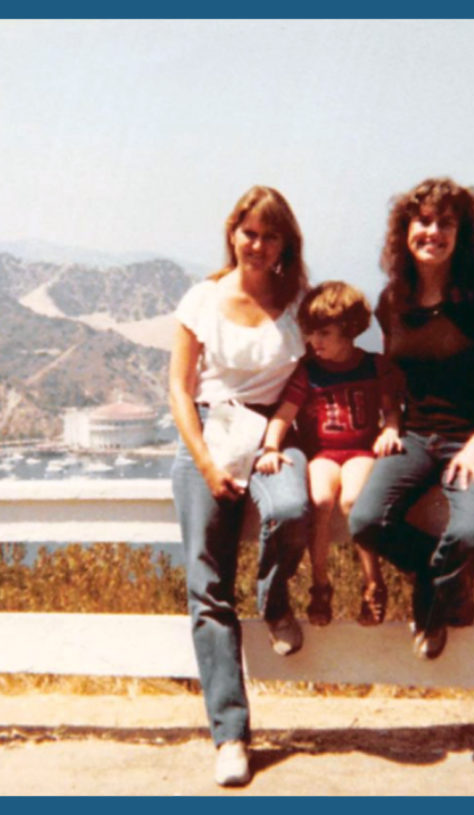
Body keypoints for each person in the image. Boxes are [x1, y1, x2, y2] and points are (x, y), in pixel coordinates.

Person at [348, 177, 474, 661]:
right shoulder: (393, 301)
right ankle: (443, 579)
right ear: (404, 230)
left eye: (445, 223)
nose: (432, 232)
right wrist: (390, 422)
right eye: (423, 221)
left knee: (473, 534)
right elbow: (393, 375)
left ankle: (431, 602)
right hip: (414, 439)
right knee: (366, 521)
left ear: (463, 233)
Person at [168, 185, 312, 787]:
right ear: (233, 233)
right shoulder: (202, 298)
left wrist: (276, 439)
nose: (257, 243)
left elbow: (311, 374)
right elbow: (178, 387)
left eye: (269, 234)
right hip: (208, 435)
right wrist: (205, 464)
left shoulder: (302, 302)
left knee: (294, 508)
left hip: (275, 436)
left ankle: (273, 599)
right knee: (207, 584)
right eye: (248, 231)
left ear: (285, 244)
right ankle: (230, 735)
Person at [256, 281, 404, 627]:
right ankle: (320, 585)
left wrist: (392, 428)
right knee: (320, 501)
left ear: (349, 330)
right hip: (323, 453)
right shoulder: (309, 372)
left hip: (360, 451)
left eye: (324, 333)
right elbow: (284, 413)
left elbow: (391, 409)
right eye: (311, 333)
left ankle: (373, 583)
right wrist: (270, 447)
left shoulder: (374, 366)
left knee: (353, 500)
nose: (314, 342)